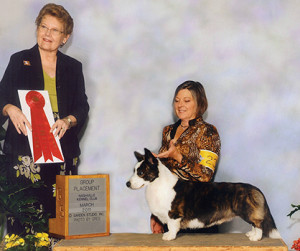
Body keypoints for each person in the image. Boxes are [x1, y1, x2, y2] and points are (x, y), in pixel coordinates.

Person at [0, 3, 89, 233]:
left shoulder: (74, 67)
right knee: (25, 217)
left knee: (58, 218)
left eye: (55, 30)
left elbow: (82, 106)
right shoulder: (19, 60)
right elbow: (1, 98)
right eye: (43, 26)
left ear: (65, 37)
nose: (47, 34)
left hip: (62, 148)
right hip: (25, 150)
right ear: (37, 28)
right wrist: (10, 108)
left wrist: (69, 120)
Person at [151, 80, 221, 233]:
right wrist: (156, 215)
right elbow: (163, 178)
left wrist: (178, 156)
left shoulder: (208, 132)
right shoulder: (167, 131)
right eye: (176, 101)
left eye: (186, 100)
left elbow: (206, 176)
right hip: (170, 214)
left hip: (199, 214)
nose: (180, 105)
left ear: (199, 103)